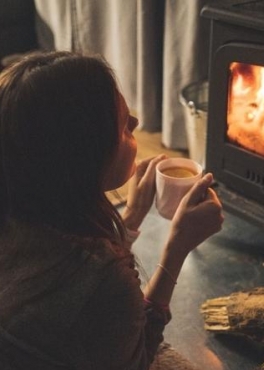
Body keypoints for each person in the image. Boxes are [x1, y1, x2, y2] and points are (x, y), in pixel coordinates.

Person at [0, 51, 224, 369]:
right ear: (82, 159)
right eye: (121, 127)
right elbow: (139, 357)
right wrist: (177, 247)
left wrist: (130, 217)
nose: (136, 122)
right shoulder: (106, 283)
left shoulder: (22, 209)